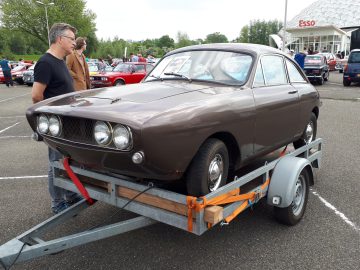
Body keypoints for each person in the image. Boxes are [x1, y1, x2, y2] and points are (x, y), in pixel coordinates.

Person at [32, 22, 82, 214]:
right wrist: (50, 117)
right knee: (56, 164)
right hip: (56, 124)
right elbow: (37, 95)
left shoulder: (60, 61)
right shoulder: (45, 62)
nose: (74, 43)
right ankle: (58, 202)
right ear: (59, 39)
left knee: (67, 162)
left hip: (67, 122)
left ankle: (69, 195)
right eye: (71, 39)